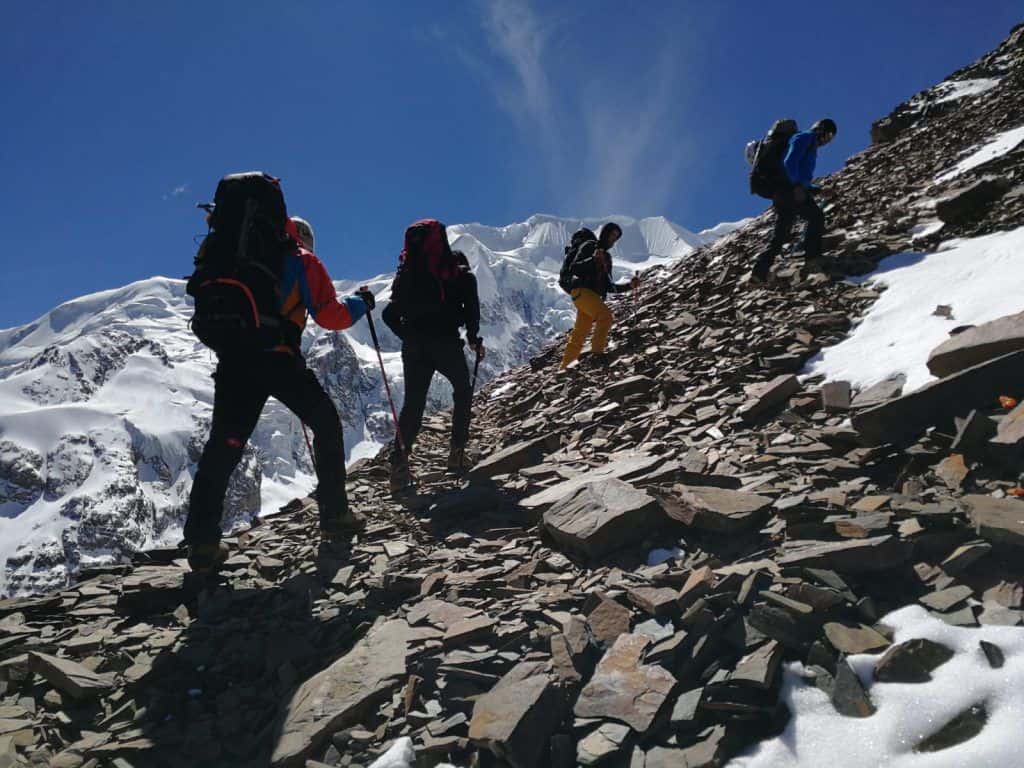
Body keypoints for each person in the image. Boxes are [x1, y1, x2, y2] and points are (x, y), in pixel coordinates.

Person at [184, 209, 374, 573]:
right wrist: (361, 304)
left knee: (223, 447)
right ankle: (335, 515)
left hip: (234, 364)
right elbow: (331, 316)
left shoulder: (230, 261)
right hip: (278, 361)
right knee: (327, 425)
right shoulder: (301, 260)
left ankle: (202, 542)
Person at [382, 220, 484, 493]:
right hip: (446, 343)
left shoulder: (408, 274)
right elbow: (472, 311)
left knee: (412, 405)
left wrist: (410, 337)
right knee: (462, 390)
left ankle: (399, 470)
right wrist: (474, 339)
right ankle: (457, 454)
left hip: (414, 347)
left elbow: (388, 315)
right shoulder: (460, 275)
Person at [750, 118, 837, 284]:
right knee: (816, 217)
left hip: (782, 191)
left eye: (830, 139)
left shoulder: (807, 142)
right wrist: (797, 186)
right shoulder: (805, 138)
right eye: (828, 135)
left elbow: (799, 177)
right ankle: (812, 259)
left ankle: (759, 272)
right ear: (820, 130)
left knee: (782, 232)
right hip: (788, 189)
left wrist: (817, 190)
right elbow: (789, 162)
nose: (827, 141)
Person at [560, 222, 639, 369]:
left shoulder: (607, 258)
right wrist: (593, 259)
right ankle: (597, 356)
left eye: (616, 238)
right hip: (582, 292)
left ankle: (564, 369)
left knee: (579, 334)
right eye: (612, 235)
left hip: (589, 297)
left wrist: (630, 285)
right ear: (604, 233)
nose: (613, 240)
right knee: (605, 317)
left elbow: (609, 286)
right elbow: (575, 268)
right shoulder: (590, 246)